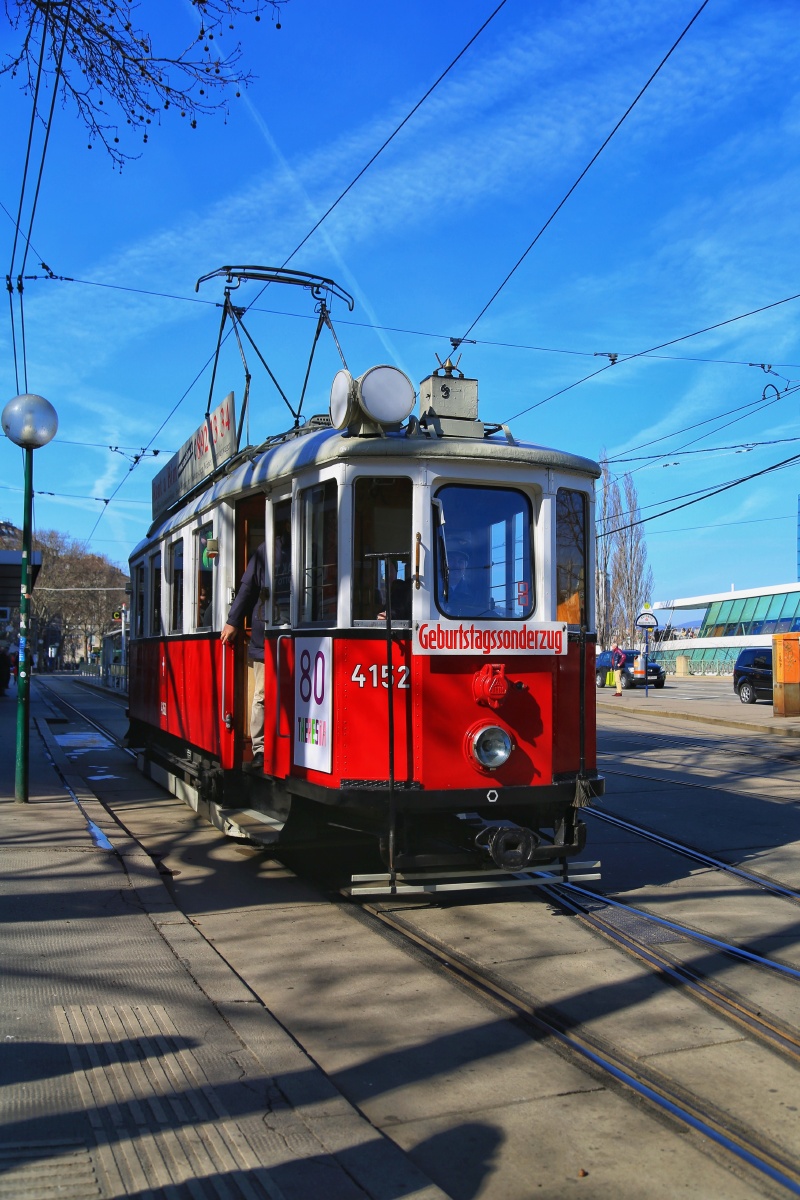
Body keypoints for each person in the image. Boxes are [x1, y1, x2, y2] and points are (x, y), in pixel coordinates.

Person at [221, 542, 267, 773]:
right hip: (266, 635)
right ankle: (260, 749)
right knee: (263, 694)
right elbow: (247, 589)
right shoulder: (265, 550)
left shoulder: (313, 544)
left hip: (288, 634)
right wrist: (233, 621)